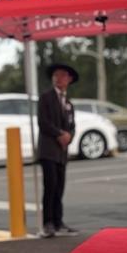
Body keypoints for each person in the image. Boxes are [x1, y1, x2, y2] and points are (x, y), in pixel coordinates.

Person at [37, 64, 80, 238]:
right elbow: (43, 122)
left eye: (62, 75)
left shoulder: (69, 103)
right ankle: (48, 223)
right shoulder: (46, 98)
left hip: (62, 152)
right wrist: (59, 134)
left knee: (60, 187)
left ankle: (58, 221)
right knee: (50, 186)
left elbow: (72, 126)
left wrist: (69, 136)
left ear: (69, 79)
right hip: (48, 150)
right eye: (55, 75)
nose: (58, 78)